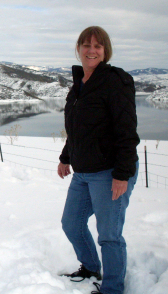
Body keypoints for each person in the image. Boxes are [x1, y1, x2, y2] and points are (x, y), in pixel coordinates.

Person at [58, 26, 140, 294]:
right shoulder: (80, 83)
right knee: (71, 223)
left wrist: (122, 174)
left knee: (109, 235)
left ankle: (113, 289)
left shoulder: (115, 81)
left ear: (105, 51)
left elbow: (127, 133)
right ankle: (91, 267)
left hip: (110, 171)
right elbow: (77, 128)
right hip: (83, 171)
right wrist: (66, 158)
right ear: (79, 49)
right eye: (86, 45)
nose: (91, 50)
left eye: (97, 46)